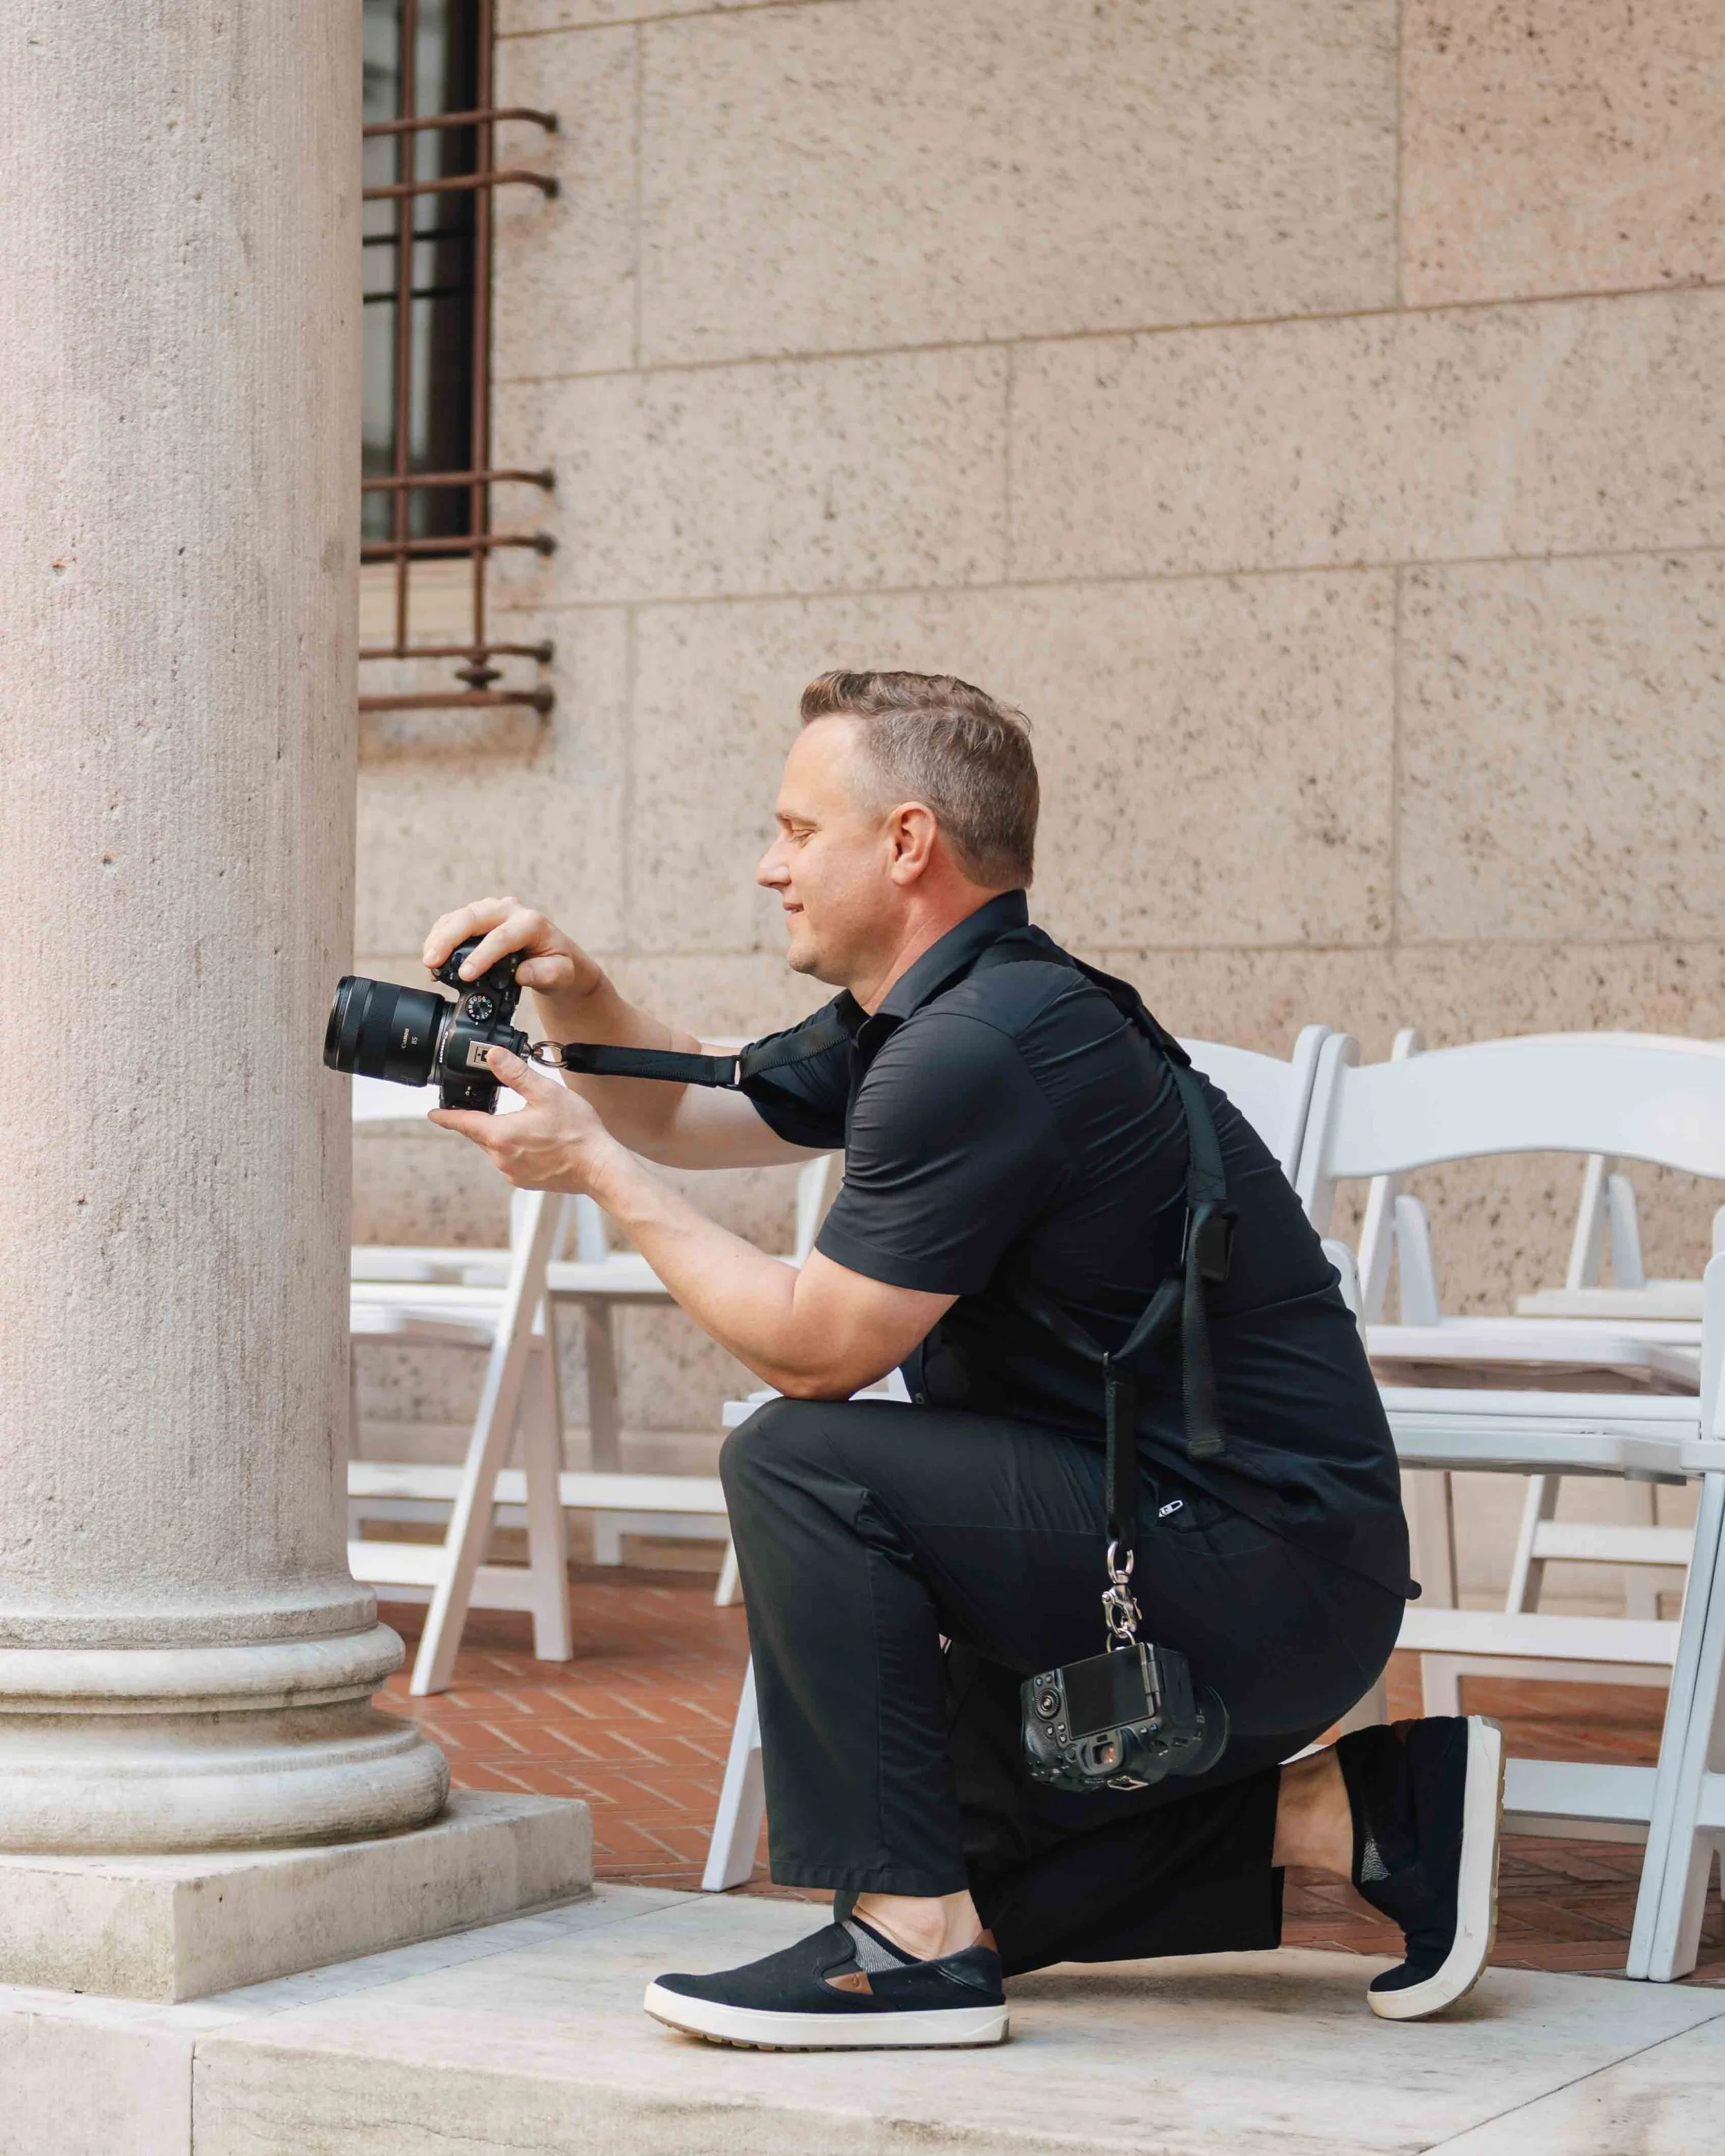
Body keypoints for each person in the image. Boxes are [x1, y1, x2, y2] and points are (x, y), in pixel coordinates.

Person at [423, 669, 1504, 2051]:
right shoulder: (959, 1007)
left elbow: (814, 1352)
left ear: (905, 841)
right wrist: (578, 998)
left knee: (800, 1457)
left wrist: (592, 1174)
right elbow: (703, 1104)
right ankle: (1366, 1808)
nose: (770, 866)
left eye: (796, 829)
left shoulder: (980, 1043)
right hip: (1230, 1547)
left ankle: (905, 1947)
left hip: (1251, 1561)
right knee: (955, 1840)